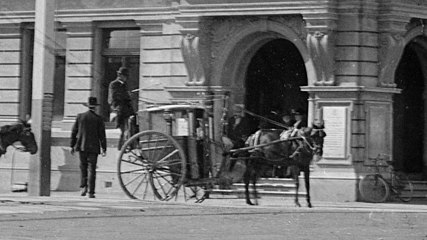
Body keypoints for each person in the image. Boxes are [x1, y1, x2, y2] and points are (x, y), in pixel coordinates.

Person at [70, 97, 107, 198]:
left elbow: (74, 132)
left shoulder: (80, 117)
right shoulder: (99, 119)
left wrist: (72, 145)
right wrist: (104, 148)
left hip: (82, 146)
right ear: (95, 107)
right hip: (94, 148)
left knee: (83, 167)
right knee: (92, 169)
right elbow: (102, 135)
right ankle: (91, 191)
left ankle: (83, 187)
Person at [108, 67, 134, 150]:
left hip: (126, 110)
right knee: (122, 130)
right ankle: (120, 146)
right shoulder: (114, 84)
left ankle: (128, 144)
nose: (125, 78)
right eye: (124, 76)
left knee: (129, 127)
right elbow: (114, 97)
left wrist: (129, 96)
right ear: (120, 75)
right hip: (119, 110)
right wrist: (127, 95)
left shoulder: (124, 85)